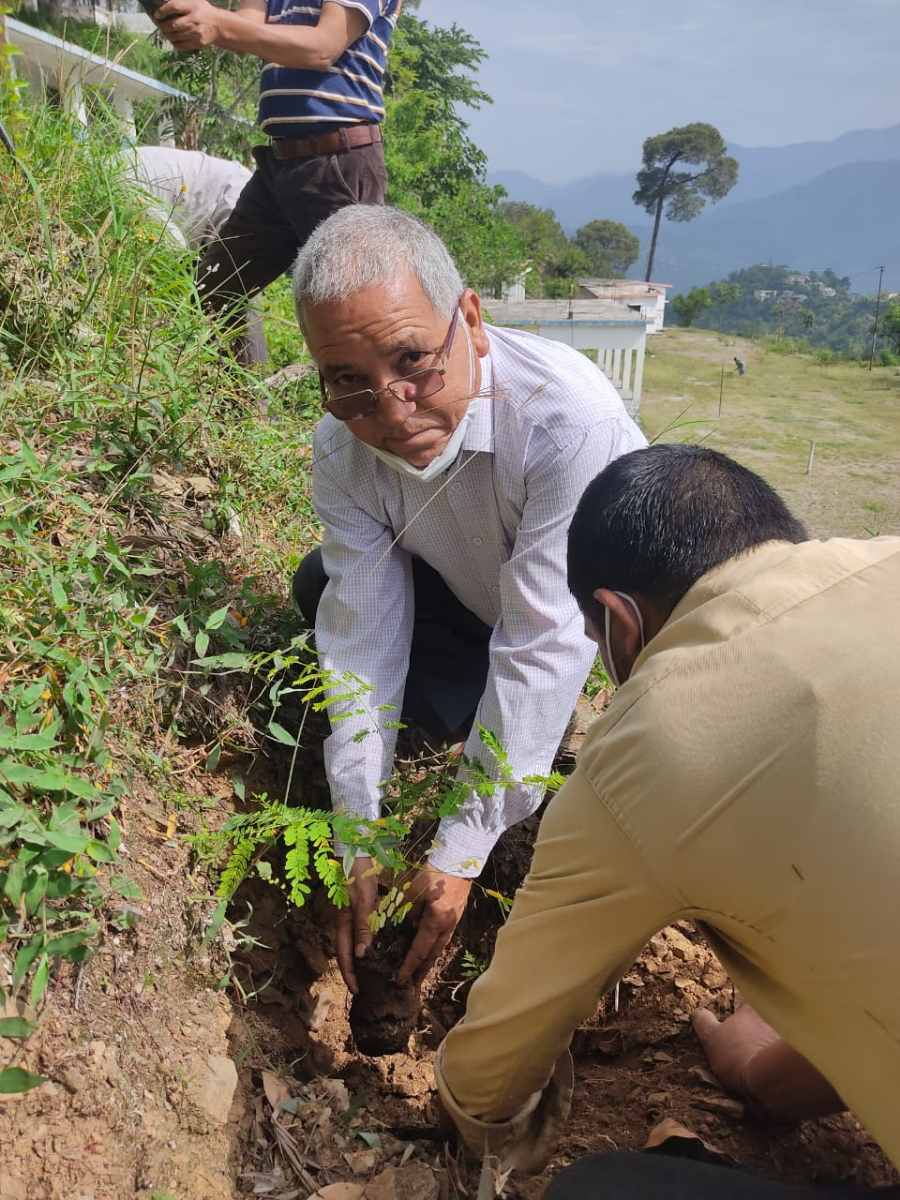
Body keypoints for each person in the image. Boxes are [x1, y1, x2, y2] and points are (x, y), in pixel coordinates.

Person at [434, 444, 900, 1195]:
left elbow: (493, 1069)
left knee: (601, 1191)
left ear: (620, 622)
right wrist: (766, 1075)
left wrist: (459, 1109)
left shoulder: (656, 736)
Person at [289, 204, 646, 994]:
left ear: (472, 322)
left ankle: (542, 772)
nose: (389, 408)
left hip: (600, 629)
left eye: (413, 360)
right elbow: (360, 634)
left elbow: (546, 640)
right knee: (319, 587)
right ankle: (455, 741)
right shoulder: (342, 450)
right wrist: (359, 828)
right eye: (347, 382)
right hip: (474, 610)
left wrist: (461, 850)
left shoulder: (565, 425)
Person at [151, 0, 398, 361]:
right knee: (215, 289)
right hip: (280, 164)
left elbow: (322, 47)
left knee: (355, 312)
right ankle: (241, 411)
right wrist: (195, 22)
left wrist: (217, 23)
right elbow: (245, 25)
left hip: (338, 163)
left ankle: (368, 412)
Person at [124, 145, 268, 364]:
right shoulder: (247, 204)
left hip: (227, 198)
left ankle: (246, 387)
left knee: (231, 295)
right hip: (139, 186)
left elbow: (180, 255)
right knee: (225, 296)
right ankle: (234, 381)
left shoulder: (124, 186)